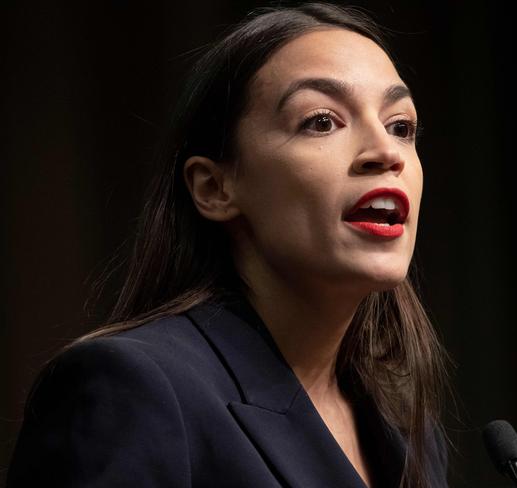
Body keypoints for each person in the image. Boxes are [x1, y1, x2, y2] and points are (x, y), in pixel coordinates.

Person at [7, 3, 449, 487]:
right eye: (322, 121)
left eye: (400, 127)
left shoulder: (406, 432)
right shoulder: (133, 388)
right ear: (215, 189)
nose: (386, 153)